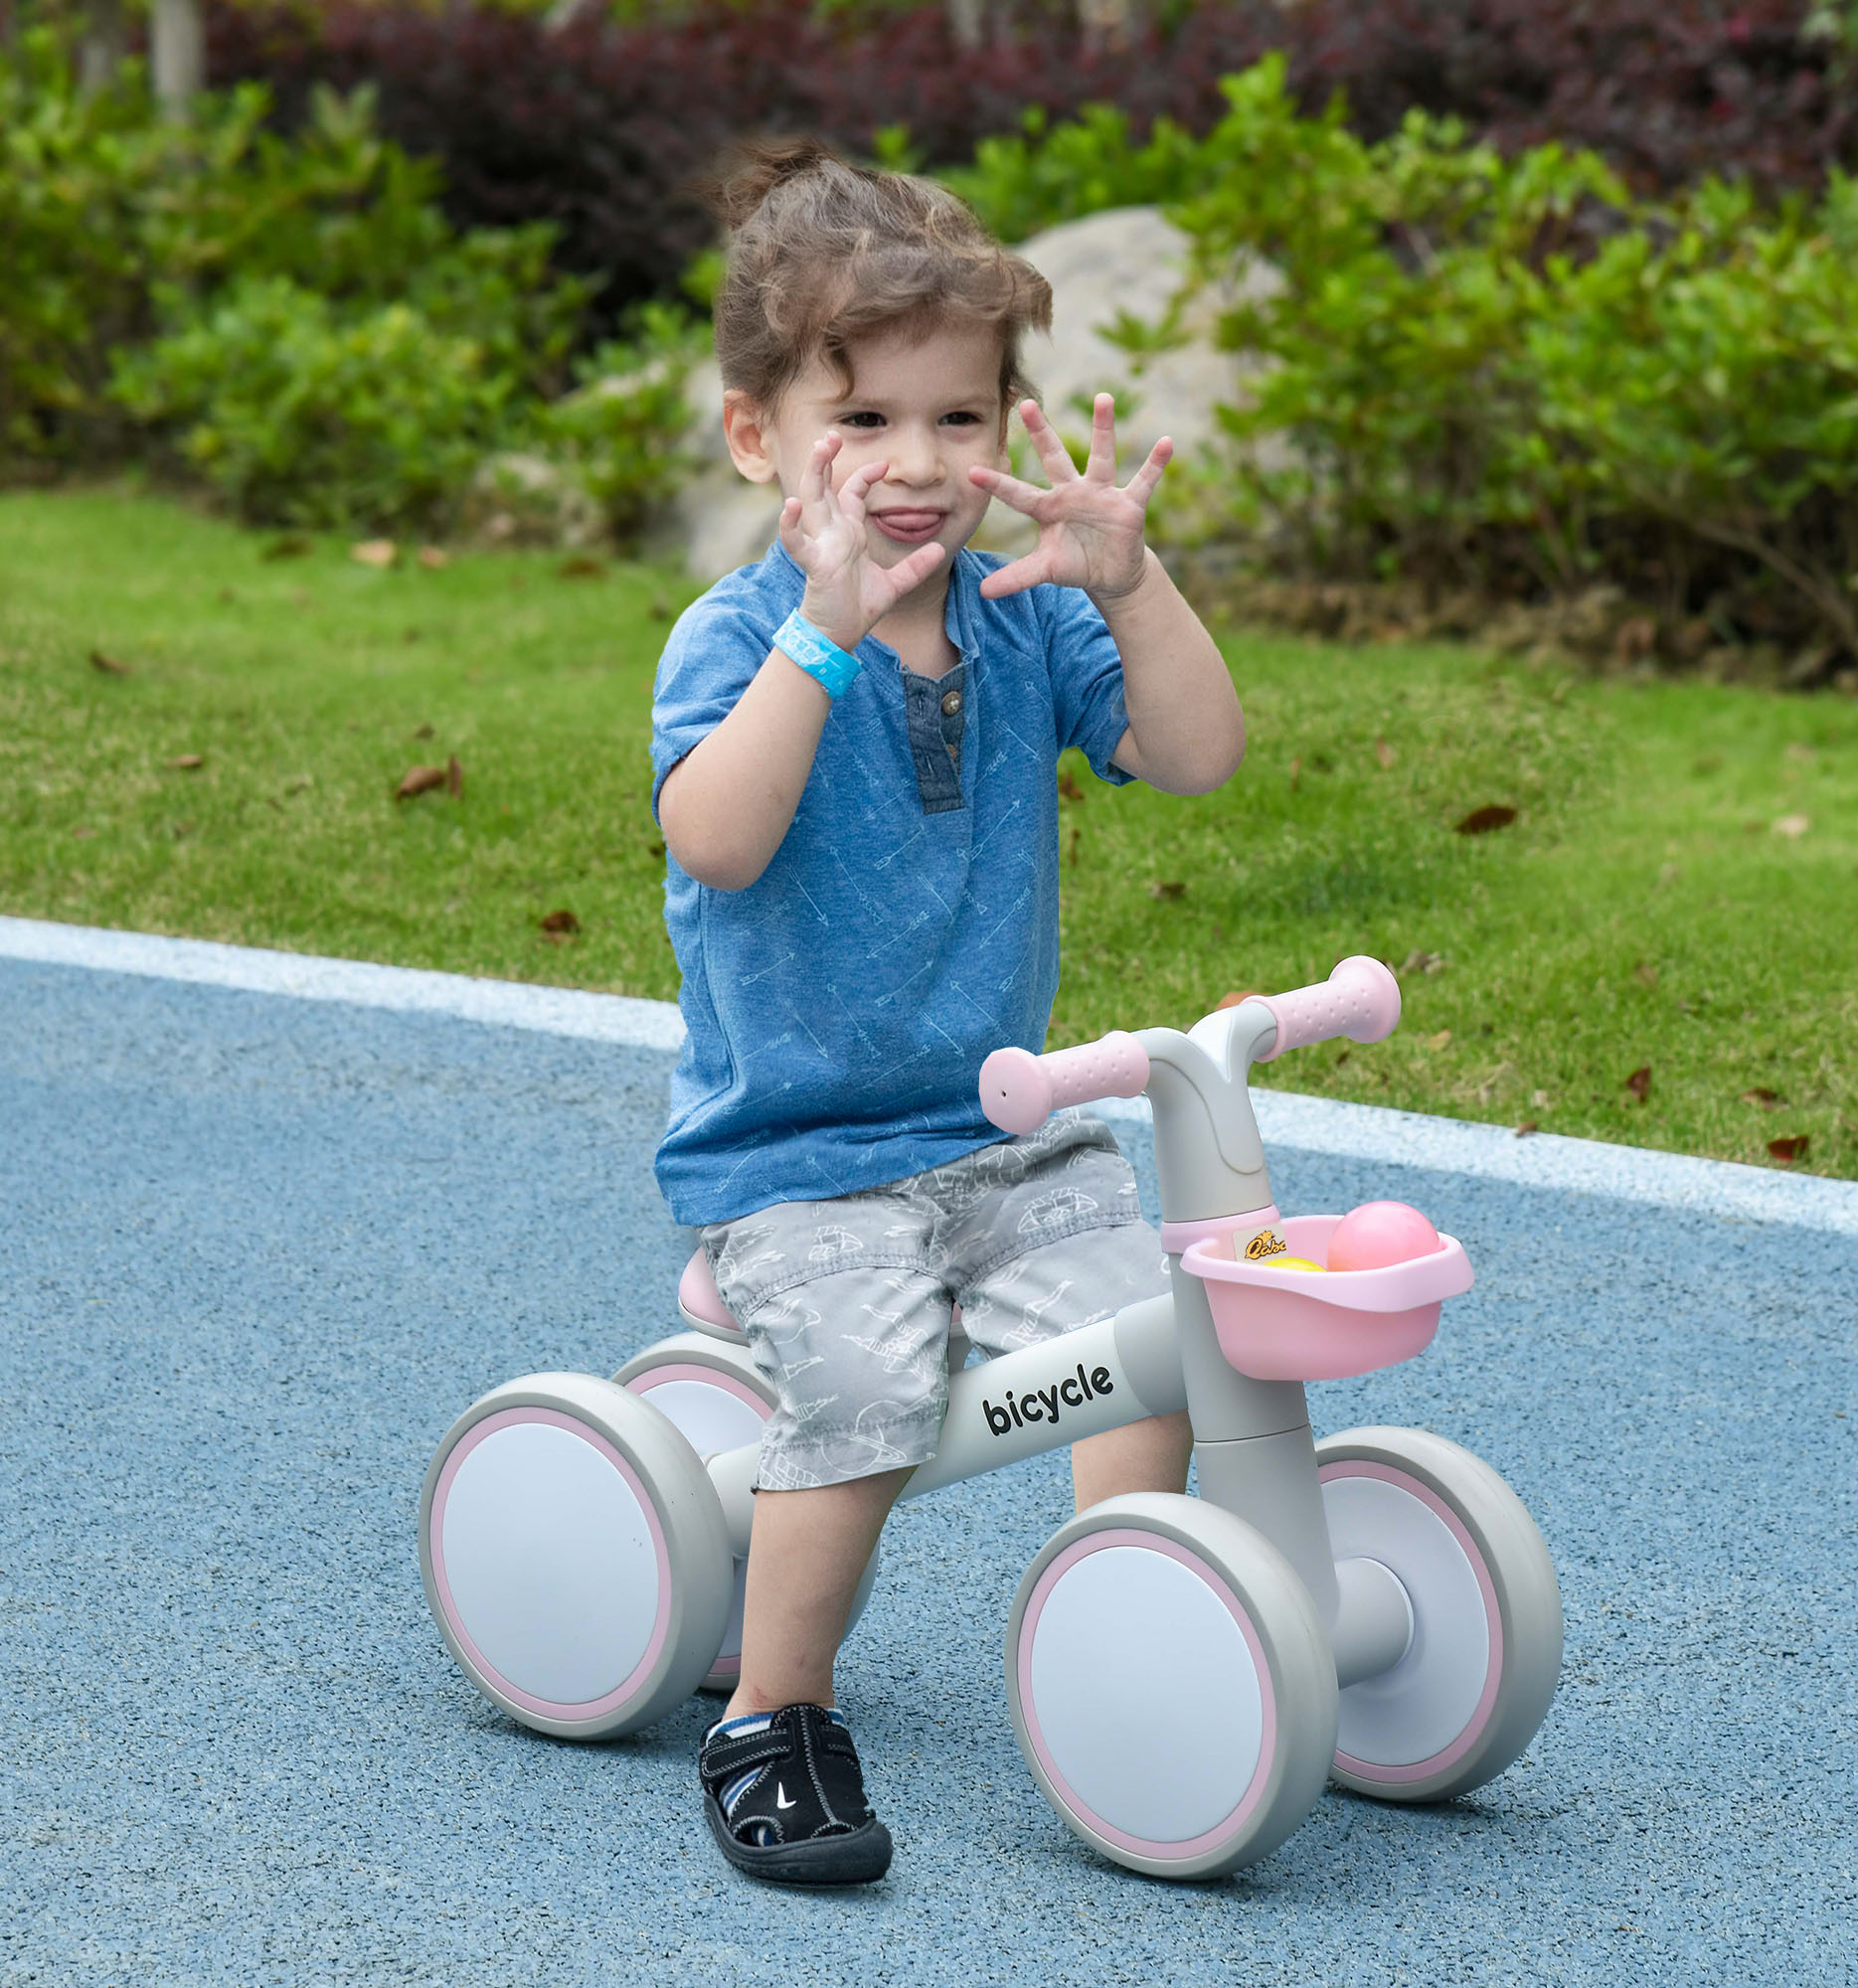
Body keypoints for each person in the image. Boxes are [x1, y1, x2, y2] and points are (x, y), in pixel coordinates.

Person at [649, 135, 1247, 1887]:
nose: (918, 466)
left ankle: (1132, 1639)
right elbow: (718, 834)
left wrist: (1132, 584)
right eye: (865, 422)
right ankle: (774, 1712)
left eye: (961, 420)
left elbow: (1199, 759)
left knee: (1155, 1333)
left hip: (998, 1132)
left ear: (1007, 429)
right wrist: (823, 637)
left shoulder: (1024, 619)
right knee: (864, 1388)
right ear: (760, 435)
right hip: (802, 1160)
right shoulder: (740, 635)